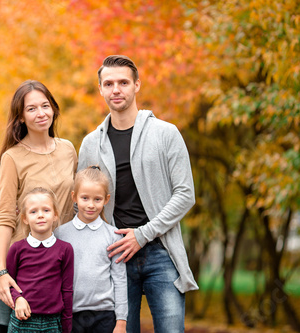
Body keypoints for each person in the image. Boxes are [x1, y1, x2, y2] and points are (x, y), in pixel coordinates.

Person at [77, 55, 198, 333]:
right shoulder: (90, 144)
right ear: (101, 89)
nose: (116, 89)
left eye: (123, 82)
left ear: (137, 86)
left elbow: (185, 194)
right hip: (115, 256)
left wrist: (142, 234)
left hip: (161, 251)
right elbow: (82, 204)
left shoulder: (166, 134)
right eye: (109, 83)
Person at [0, 80, 78, 332]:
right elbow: (5, 217)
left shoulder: (68, 150)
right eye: (31, 109)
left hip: (60, 260)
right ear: (20, 116)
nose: (41, 113)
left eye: (45, 106)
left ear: (54, 109)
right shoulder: (12, 158)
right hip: (25, 265)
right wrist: (1, 272)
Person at [55, 166, 127, 333]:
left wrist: (121, 322)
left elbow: (120, 279)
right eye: (85, 198)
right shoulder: (60, 234)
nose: (91, 205)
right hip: (69, 314)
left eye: (97, 199)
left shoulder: (113, 236)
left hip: (105, 316)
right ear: (74, 197)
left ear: (106, 199)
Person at [6, 187, 74, 333]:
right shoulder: (17, 249)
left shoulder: (65, 249)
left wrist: (67, 326)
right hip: (22, 321)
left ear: (55, 215)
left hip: (53, 323)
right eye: (33, 211)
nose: (40, 215)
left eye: (46, 210)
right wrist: (17, 299)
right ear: (25, 218)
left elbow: (67, 290)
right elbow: (8, 283)